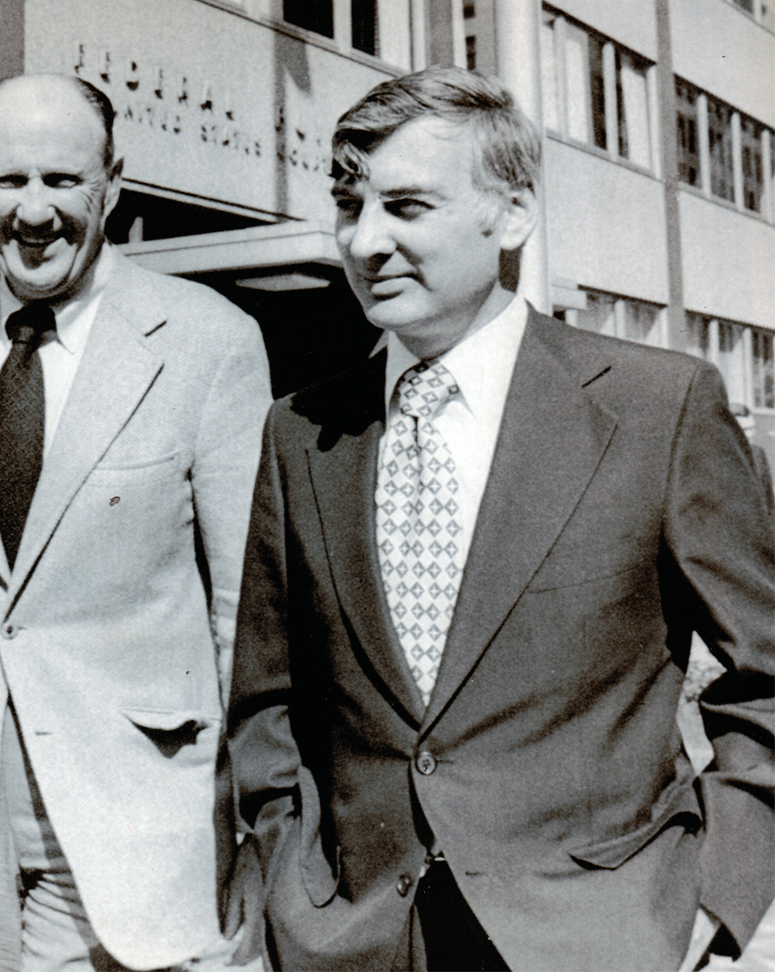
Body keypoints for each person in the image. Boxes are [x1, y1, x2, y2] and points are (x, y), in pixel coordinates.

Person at [224, 67, 774, 972]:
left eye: (406, 207)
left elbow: (765, 676)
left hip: (598, 936)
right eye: (349, 205)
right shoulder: (300, 430)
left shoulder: (656, 407)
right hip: (353, 940)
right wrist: (291, 886)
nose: (366, 242)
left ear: (510, 215)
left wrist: (716, 895)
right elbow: (267, 702)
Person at [0, 74, 271, 970]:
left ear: (114, 182)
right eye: (10, 181)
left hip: (132, 821)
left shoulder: (208, 342)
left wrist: (258, 818)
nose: (35, 211)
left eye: (63, 179)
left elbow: (246, 611)